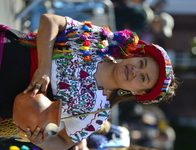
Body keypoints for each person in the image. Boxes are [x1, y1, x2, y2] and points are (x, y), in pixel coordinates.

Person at [0, 14, 178, 150]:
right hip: (7, 51)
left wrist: (41, 140)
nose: (135, 70)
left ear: (139, 92)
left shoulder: (97, 112)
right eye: (141, 63)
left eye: (143, 78)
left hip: (6, 100)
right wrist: (44, 68)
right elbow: (50, 20)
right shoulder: (98, 40)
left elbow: (63, 142)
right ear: (137, 56)